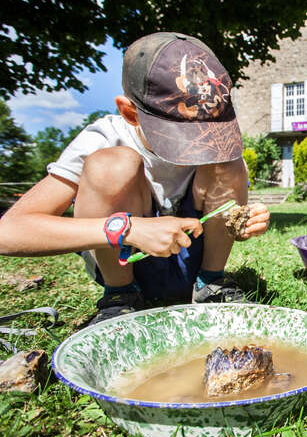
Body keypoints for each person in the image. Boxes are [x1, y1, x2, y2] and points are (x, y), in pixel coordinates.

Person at [0, 32, 270, 323]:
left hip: (195, 258)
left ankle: (211, 283)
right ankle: (120, 296)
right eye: (183, 136)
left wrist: (239, 221)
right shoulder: (105, 136)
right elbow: (9, 232)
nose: (199, 147)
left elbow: (226, 200)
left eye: (209, 133)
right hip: (128, 261)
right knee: (112, 163)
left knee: (227, 161)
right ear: (130, 112)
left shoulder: (215, 143)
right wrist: (127, 230)